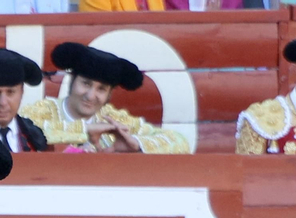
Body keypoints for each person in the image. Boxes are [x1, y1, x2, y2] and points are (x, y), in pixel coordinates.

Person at [19, 43, 189, 154]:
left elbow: (180, 143)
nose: (91, 95)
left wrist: (136, 144)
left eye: (101, 89)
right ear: (71, 81)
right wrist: (85, 131)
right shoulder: (42, 111)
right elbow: (21, 133)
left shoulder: (115, 120)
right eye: (86, 84)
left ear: (109, 95)